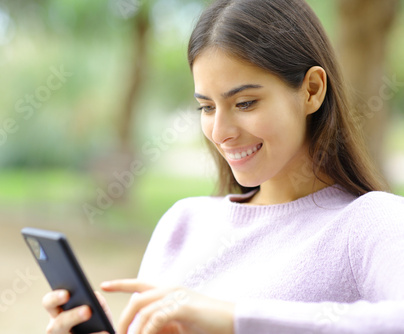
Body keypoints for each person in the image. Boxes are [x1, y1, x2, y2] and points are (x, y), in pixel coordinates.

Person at [43, 0, 404, 333]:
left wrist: (231, 317)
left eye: (245, 103)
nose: (220, 133)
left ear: (311, 90)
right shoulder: (183, 223)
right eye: (207, 107)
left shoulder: (368, 222)